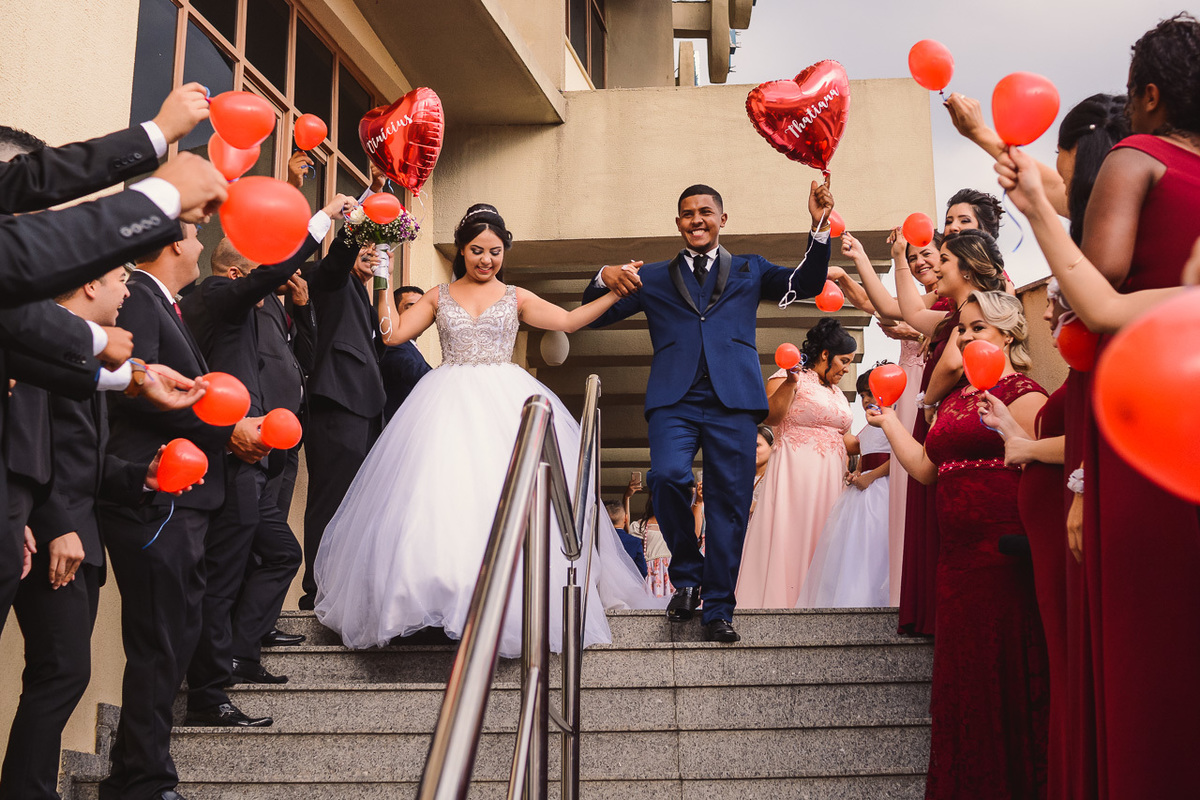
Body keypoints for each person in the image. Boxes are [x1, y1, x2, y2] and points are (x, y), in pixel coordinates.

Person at [313, 204, 658, 657]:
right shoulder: (437, 295)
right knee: (440, 501)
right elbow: (392, 335)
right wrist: (382, 280)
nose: (486, 260)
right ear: (461, 250)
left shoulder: (516, 297)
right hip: (445, 401)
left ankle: (510, 607)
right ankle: (439, 602)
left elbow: (570, 321)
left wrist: (615, 294)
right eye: (477, 250)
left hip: (507, 402)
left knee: (507, 499)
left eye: (495, 252)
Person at [581, 180, 834, 642]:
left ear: (722, 219)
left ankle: (718, 607)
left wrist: (819, 226)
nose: (696, 219)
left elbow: (808, 284)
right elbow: (594, 315)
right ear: (678, 222)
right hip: (673, 399)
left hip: (733, 400)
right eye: (687, 213)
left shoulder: (751, 269)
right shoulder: (652, 276)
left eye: (704, 212)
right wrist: (604, 275)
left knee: (728, 504)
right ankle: (688, 577)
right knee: (666, 478)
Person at [1070, 13, 1200, 798]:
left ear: (1150, 95)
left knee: (1149, 638)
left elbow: (1100, 284)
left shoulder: (1137, 157)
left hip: (1148, 416)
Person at [99, 223, 272, 800]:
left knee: (173, 637)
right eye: (196, 236)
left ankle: (128, 775)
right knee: (161, 642)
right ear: (175, 244)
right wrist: (227, 431)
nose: (201, 245)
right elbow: (141, 391)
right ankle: (148, 783)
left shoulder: (164, 302)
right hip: (154, 494)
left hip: (182, 497)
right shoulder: (138, 299)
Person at [869, 290, 1048, 798]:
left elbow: (1048, 459)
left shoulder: (1024, 393)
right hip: (956, 562)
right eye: (962, 329)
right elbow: (927, 470)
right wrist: (890, 423)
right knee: (963, 679)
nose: (965, 337)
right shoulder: (952, 399)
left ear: (1007, 335)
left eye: (977, 328)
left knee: (1002, 671)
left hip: (1003, 554)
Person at [180, 196, 350, 709]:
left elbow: (291, 361)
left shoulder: (253, 315)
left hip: (258, 455)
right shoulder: (214, 294)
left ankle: (237, 655)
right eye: (258, 273)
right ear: (237, 275)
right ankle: (210, 690)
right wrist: (321, 219)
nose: (268, 282)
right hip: (231, 457)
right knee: (224, 575)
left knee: (277, 554)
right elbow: (268, 274)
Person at [837, 230, 944, 605]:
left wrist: (917, 330)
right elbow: (873, 303)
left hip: (933, 387)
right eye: (912, 258)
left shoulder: (950, 297)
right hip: (910, 389)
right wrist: (852, 265)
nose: (919, 263)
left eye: (926, 254)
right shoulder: (920, 298)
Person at [736, 318, 855, 609]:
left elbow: (848, 440)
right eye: (844, 361)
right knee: (794, 534)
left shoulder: (838, 393)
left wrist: (885, 434)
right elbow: (771, 416)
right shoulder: (789, 375)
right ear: (825, 354)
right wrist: (791, 382)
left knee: (826, 535)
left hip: (832, 475)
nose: (846, 369)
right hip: (796, 469)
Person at [299, 237, 387, 611]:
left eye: (377, 248)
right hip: (336, 402)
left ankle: (347, 588)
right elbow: (337, 261)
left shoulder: (365, 294)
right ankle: (317, 588)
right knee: (331, 499)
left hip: (366, 406)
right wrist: (355, 225)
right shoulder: (327, 276)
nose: (371, 253)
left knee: (358, 504)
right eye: (364, 245)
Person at [797, 367, 892, 608]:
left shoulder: (894, 422)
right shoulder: (868, 427)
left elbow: (898, 459)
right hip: (861, 491)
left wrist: (871, 478)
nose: (866, 400)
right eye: (862, 395)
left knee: (877, 541)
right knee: (854, 545)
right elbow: (864, 457)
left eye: (871, 393)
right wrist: (856, 473)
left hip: (883, 490)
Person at [380, 285, 433, 422]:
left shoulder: (410, 346)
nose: (417, 315)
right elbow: (417, 373)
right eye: (410, 308)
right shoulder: (393, 346)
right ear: (394, 313)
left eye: (421, 310)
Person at [605, 499, 647, 578]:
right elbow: (643, 571)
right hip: (628, 583)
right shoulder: (635, 542)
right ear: (626, 518)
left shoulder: (599, 541)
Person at [747, 424, 773, 521]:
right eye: (749, 445)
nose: (752, 449)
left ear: (772, 447)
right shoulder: (741, 475)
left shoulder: (774, 478)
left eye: (757, 445)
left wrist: (756, 506)